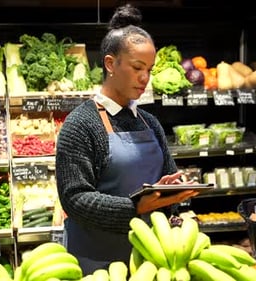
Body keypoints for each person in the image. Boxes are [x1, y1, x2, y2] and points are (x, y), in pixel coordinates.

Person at [55, 3, 199, 275]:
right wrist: (134, 206)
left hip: (151, 261)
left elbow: (166, 176)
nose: (145, 78)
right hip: (96, 264)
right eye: (137, 67)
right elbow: (74, 199)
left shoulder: (150, 122)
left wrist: (172, 192)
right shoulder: (80, 124)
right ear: (110, 63)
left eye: (150, 69)